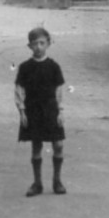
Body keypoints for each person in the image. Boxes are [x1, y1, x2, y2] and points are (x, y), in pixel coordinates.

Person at [15, 26, 66, 197]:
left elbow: (59, 90)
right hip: (33, 111)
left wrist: (61, 111)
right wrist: (22, 112)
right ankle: (37, 183)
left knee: (58, 144)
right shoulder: (25, 67)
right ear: (29, 46)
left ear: (48, 44)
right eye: (34, 44)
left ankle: (57, 181)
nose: (38, 47)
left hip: (51, 110)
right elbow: (19, 90)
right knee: (36, 146)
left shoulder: (53, 67)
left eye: (42, 43)